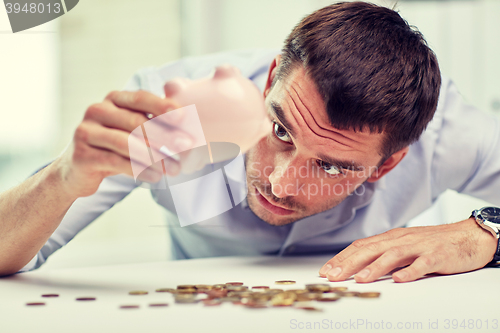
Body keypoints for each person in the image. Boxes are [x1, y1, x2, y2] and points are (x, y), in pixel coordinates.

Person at [0, 1, 499, 282]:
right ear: (269, 84)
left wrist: (484, 232)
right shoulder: (176, 109)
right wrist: (63, 179)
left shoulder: (451, 138)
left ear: (388, 165)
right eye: (280, 130)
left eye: (332, 166)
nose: (279, 184)